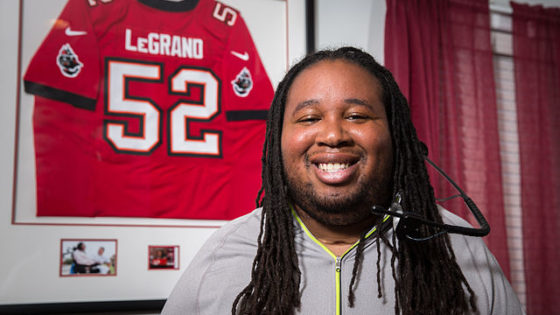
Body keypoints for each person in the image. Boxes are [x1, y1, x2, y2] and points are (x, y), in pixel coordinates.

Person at [162, 47, 524, 314]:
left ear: (396, 136)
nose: (333, 135)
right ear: (277, 142)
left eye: (356, 115)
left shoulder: (459, 251)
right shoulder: (224, 254)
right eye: (308, 119)